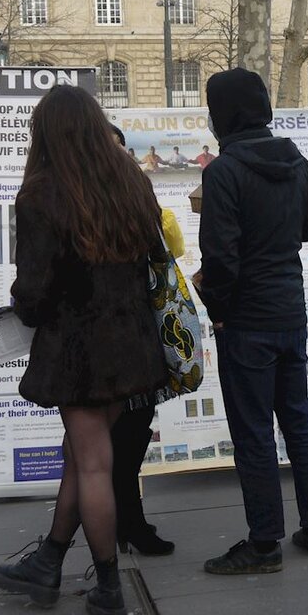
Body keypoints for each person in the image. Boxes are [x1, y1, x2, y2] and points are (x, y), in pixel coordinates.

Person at [0, 85, 170, 615]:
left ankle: (110, 586)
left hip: (78, 348)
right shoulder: (131, 179)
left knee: (90, 461)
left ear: (45, 133)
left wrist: (16, 310)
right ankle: (47, 561)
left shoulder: (42, 193)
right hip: (131, 341)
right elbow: (155, 257)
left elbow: (36, 288)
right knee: (82, 453)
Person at [198, 67, 308, 574]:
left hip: (247, 318)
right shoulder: (295, 160)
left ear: (222, 115)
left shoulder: (224, 171)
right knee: (297, 418)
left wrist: (220, 310)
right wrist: (278, 237)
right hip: (289, 310)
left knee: (253, 430)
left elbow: (221, 257)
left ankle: (263, 542)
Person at [109, 125, 180, 556]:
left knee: (133, 434)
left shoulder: (137, 199)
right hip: (106, 341)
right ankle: (116, 524)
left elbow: (171, 248)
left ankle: (128, 522)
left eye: (120, 149)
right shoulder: (76, 203)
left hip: (138, 331)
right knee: (102, 445)